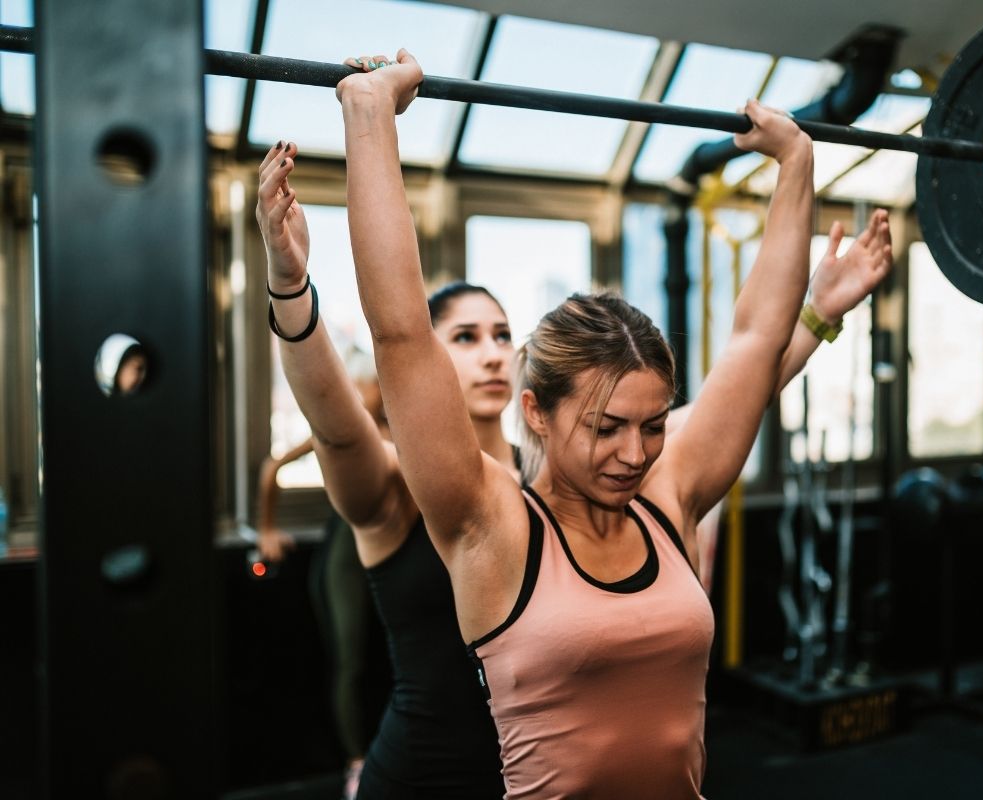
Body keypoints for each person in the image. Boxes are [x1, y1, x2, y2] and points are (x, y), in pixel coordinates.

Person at [334, 49, 889, 797]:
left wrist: (796, 163)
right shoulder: (489, 526)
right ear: (537, 410)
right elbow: (402, 330)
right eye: (605, 428)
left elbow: (757, 339)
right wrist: (371, 120)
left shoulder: (669, 498)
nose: (635, 454)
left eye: (653, 424)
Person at [257, 141, 516, 796]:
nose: (492, 354)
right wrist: (290, 284)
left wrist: (816, 317)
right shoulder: (400, 484)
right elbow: (337, 430)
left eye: (503, 334)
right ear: (428, 358)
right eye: (466, 337)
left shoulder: (547, 477)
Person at [255, 358, 383, 795]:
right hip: (342, 561)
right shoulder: (341, 431)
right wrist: (266, 529)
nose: (372, 390)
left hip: (383, 564)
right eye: (368, 383)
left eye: (372, 383)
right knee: (349, 663)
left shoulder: (400, 429)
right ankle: (355, 762)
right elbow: (271, 468)